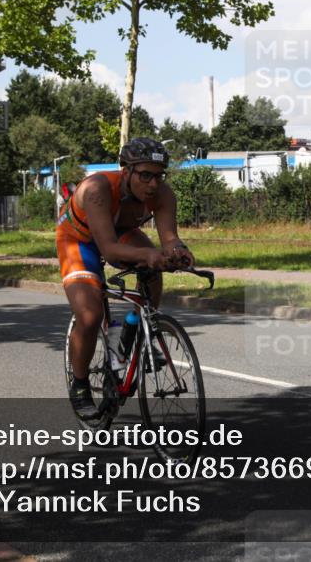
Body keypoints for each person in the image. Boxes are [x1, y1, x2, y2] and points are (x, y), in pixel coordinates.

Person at [56, 138, 194, 418]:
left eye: (159, 175)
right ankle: (80, 384)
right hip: (79, 239)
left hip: (120, 231)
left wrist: (178, 252)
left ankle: (135, 339)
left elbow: (169, 239)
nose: (153, 184)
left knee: (153, 270)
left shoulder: (164, 195)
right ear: (126, 171)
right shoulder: (97, 189)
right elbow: (108, 249)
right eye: (145, 175)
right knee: (90, 315)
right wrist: (149, 255)